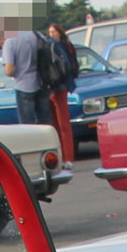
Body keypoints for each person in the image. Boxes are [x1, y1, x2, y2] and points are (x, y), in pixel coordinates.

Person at [1, 27, 52, 126]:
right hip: (42, 83)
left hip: (23, 85)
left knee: (27, 124)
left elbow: (9, 70)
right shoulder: (39, 36)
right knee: (45, 122)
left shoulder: (11, 41)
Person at [44, 22, 78, 161]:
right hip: (57, 87)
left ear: (60, 33)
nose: (52, 35)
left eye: (54, 32)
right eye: (50, 32)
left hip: (57, 87)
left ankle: (68, 157)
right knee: (57, 125)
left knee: (62, 125)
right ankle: (63, 155)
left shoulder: (61, 46)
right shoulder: (55, 46)